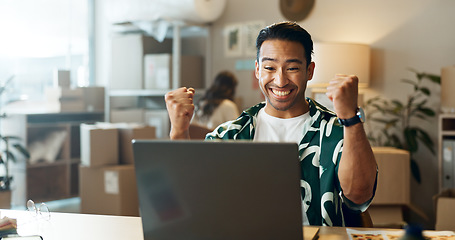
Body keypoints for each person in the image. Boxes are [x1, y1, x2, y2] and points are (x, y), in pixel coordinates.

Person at [164, 21, 377, 226]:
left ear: (309, 71)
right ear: (257, 70)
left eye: (292, 68)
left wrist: (350, 117)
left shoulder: (336, 130)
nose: (280, 80)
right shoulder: (232, 135)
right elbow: (188, 201)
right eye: (270, 67)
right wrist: (179, 131)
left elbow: (358, 196)